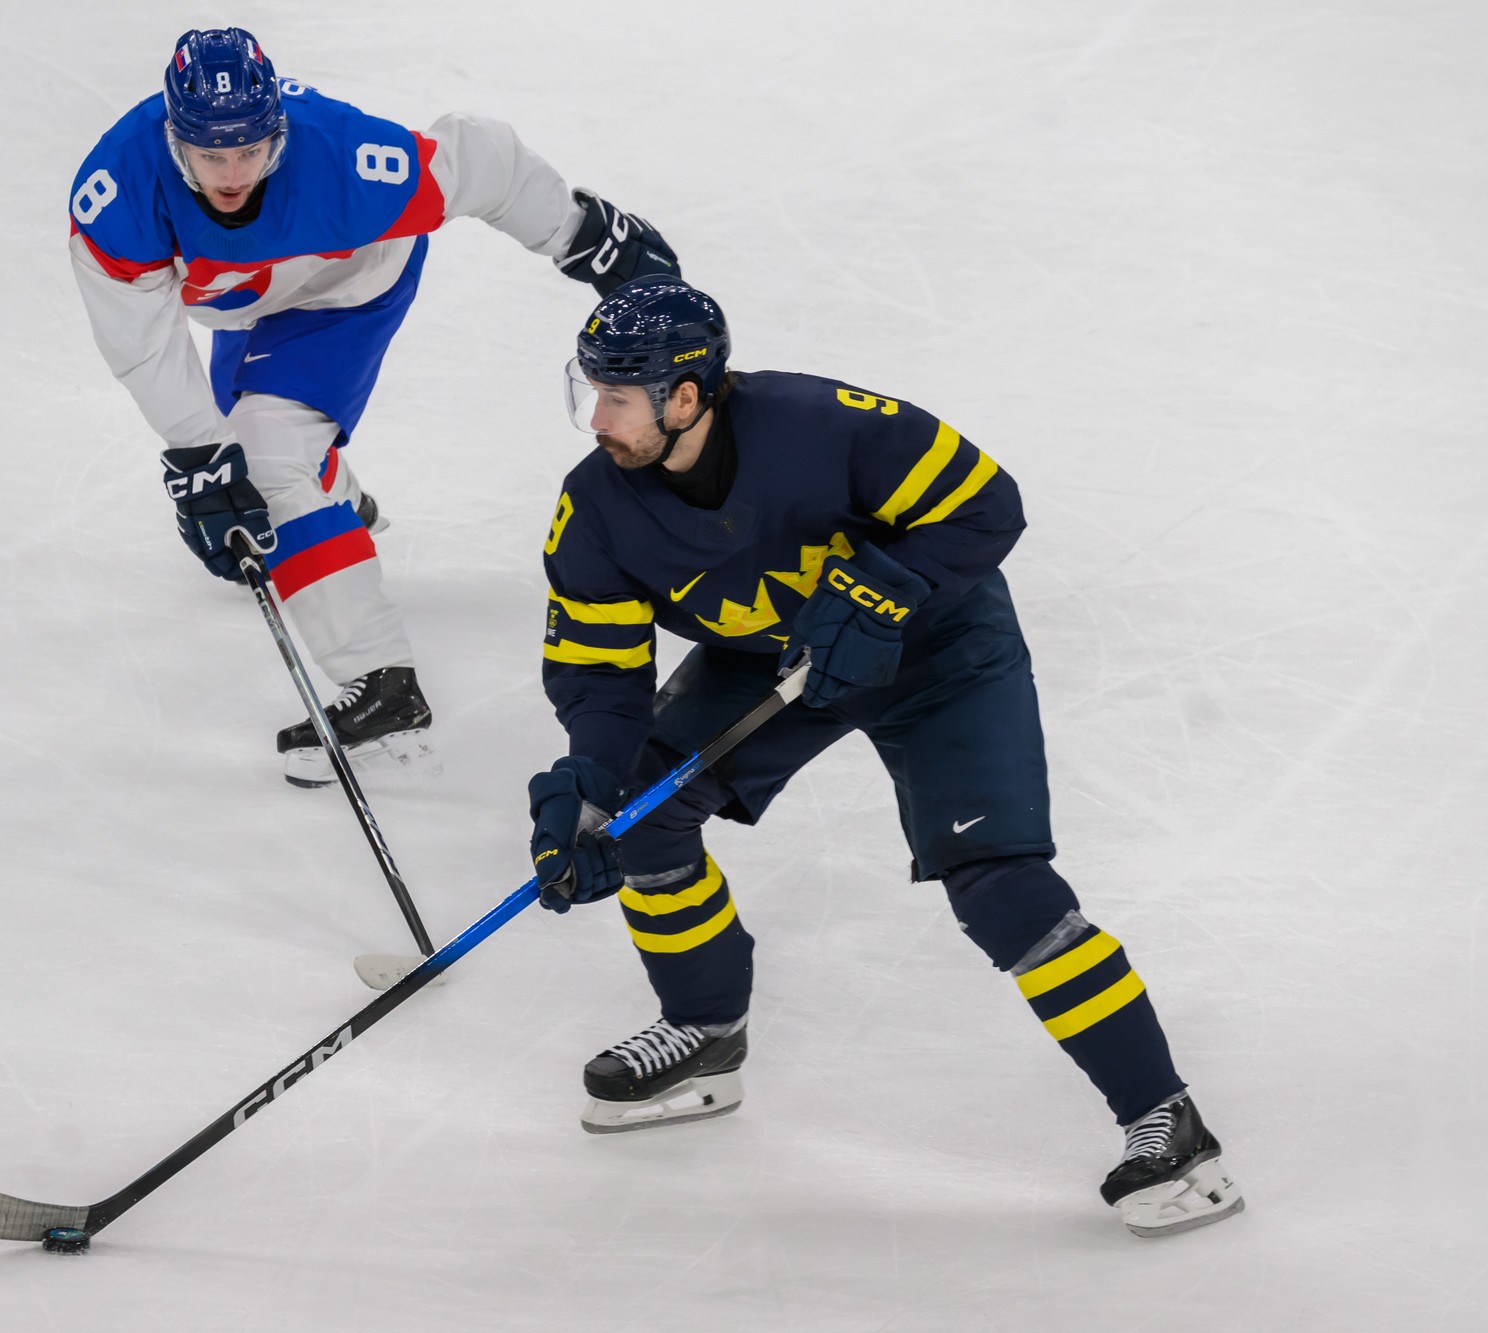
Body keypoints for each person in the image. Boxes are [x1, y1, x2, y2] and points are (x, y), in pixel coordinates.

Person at [523, 275, 1245, 1238]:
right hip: (776, 661)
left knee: (1000, 885)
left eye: (617, 397)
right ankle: (705, 1029)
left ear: (685, 396)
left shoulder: (825, 427)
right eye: (591, 391)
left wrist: (883, 589)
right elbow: (601, 673)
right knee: (643, 815)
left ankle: (1169, 1125)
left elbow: (988, 503)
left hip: (939, 650)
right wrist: (589, 784)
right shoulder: (596, 508)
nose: (597, 419)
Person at [69, 27, 680, 786]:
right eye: (211, 155)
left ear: (278, 133)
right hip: (244, 303)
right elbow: (142, 339)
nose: (233, 174)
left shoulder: (345, 160)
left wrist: (586, 234)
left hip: (344, 290)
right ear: (173, 139)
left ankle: (383, 686)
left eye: (251, 151)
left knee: (263, 464)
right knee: (242, 455)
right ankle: (333, 499)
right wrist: (197, 451)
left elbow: (480, 160)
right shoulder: (119, 187)